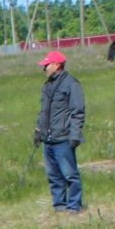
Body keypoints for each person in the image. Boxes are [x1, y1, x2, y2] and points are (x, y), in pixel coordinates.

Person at [34, 50, 86, 214]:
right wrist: (38, 130)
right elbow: (44, 111)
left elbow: (78, 112)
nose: (44, 69)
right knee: (53, 175)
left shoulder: (71, 84)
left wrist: (75, 135)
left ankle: (74, 206)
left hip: (63, 138)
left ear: (57, 65)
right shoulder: (47, 86)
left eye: (47, 65)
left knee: (70, 175)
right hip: (48, 138)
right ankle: (59, 206)